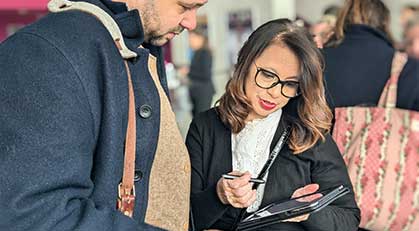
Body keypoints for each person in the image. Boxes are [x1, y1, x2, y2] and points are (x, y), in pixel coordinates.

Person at [0, 0, 207, 230]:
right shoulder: (43, 53)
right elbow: (35, 215)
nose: (191, 22)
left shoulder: (136, 43)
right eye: (185, 6)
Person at [186, 18, 360, 231]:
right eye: (268, 75)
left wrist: (306, 211)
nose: (275, 92)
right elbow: (182, 217)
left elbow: (348, 219)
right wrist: (218, 195)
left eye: (290, 84)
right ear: (245, 62)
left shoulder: (308, 133)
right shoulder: (205, 127)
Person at [323, 0, 419, 111]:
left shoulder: (317, 60)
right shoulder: (407, 69)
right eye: (411, 42)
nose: (416, 48)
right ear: (385, 22)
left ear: (342, 19)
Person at [187, 29, 215, 117]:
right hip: (197, 92)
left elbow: (205, 74)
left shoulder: (205, 53)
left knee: (202, 120)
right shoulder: (196, 53)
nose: (190, 41)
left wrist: (189, 72)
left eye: (192, 38)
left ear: (200, 38)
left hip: (203, 92)